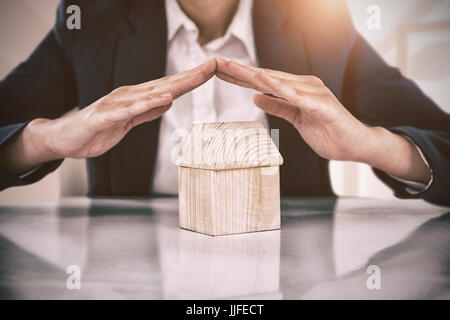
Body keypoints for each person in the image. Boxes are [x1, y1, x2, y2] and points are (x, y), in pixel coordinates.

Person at [0, 0, 449, 205]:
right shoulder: (89, 17)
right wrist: (47, 139)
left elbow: (442, 140)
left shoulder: (321, 20)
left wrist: (371, 146)